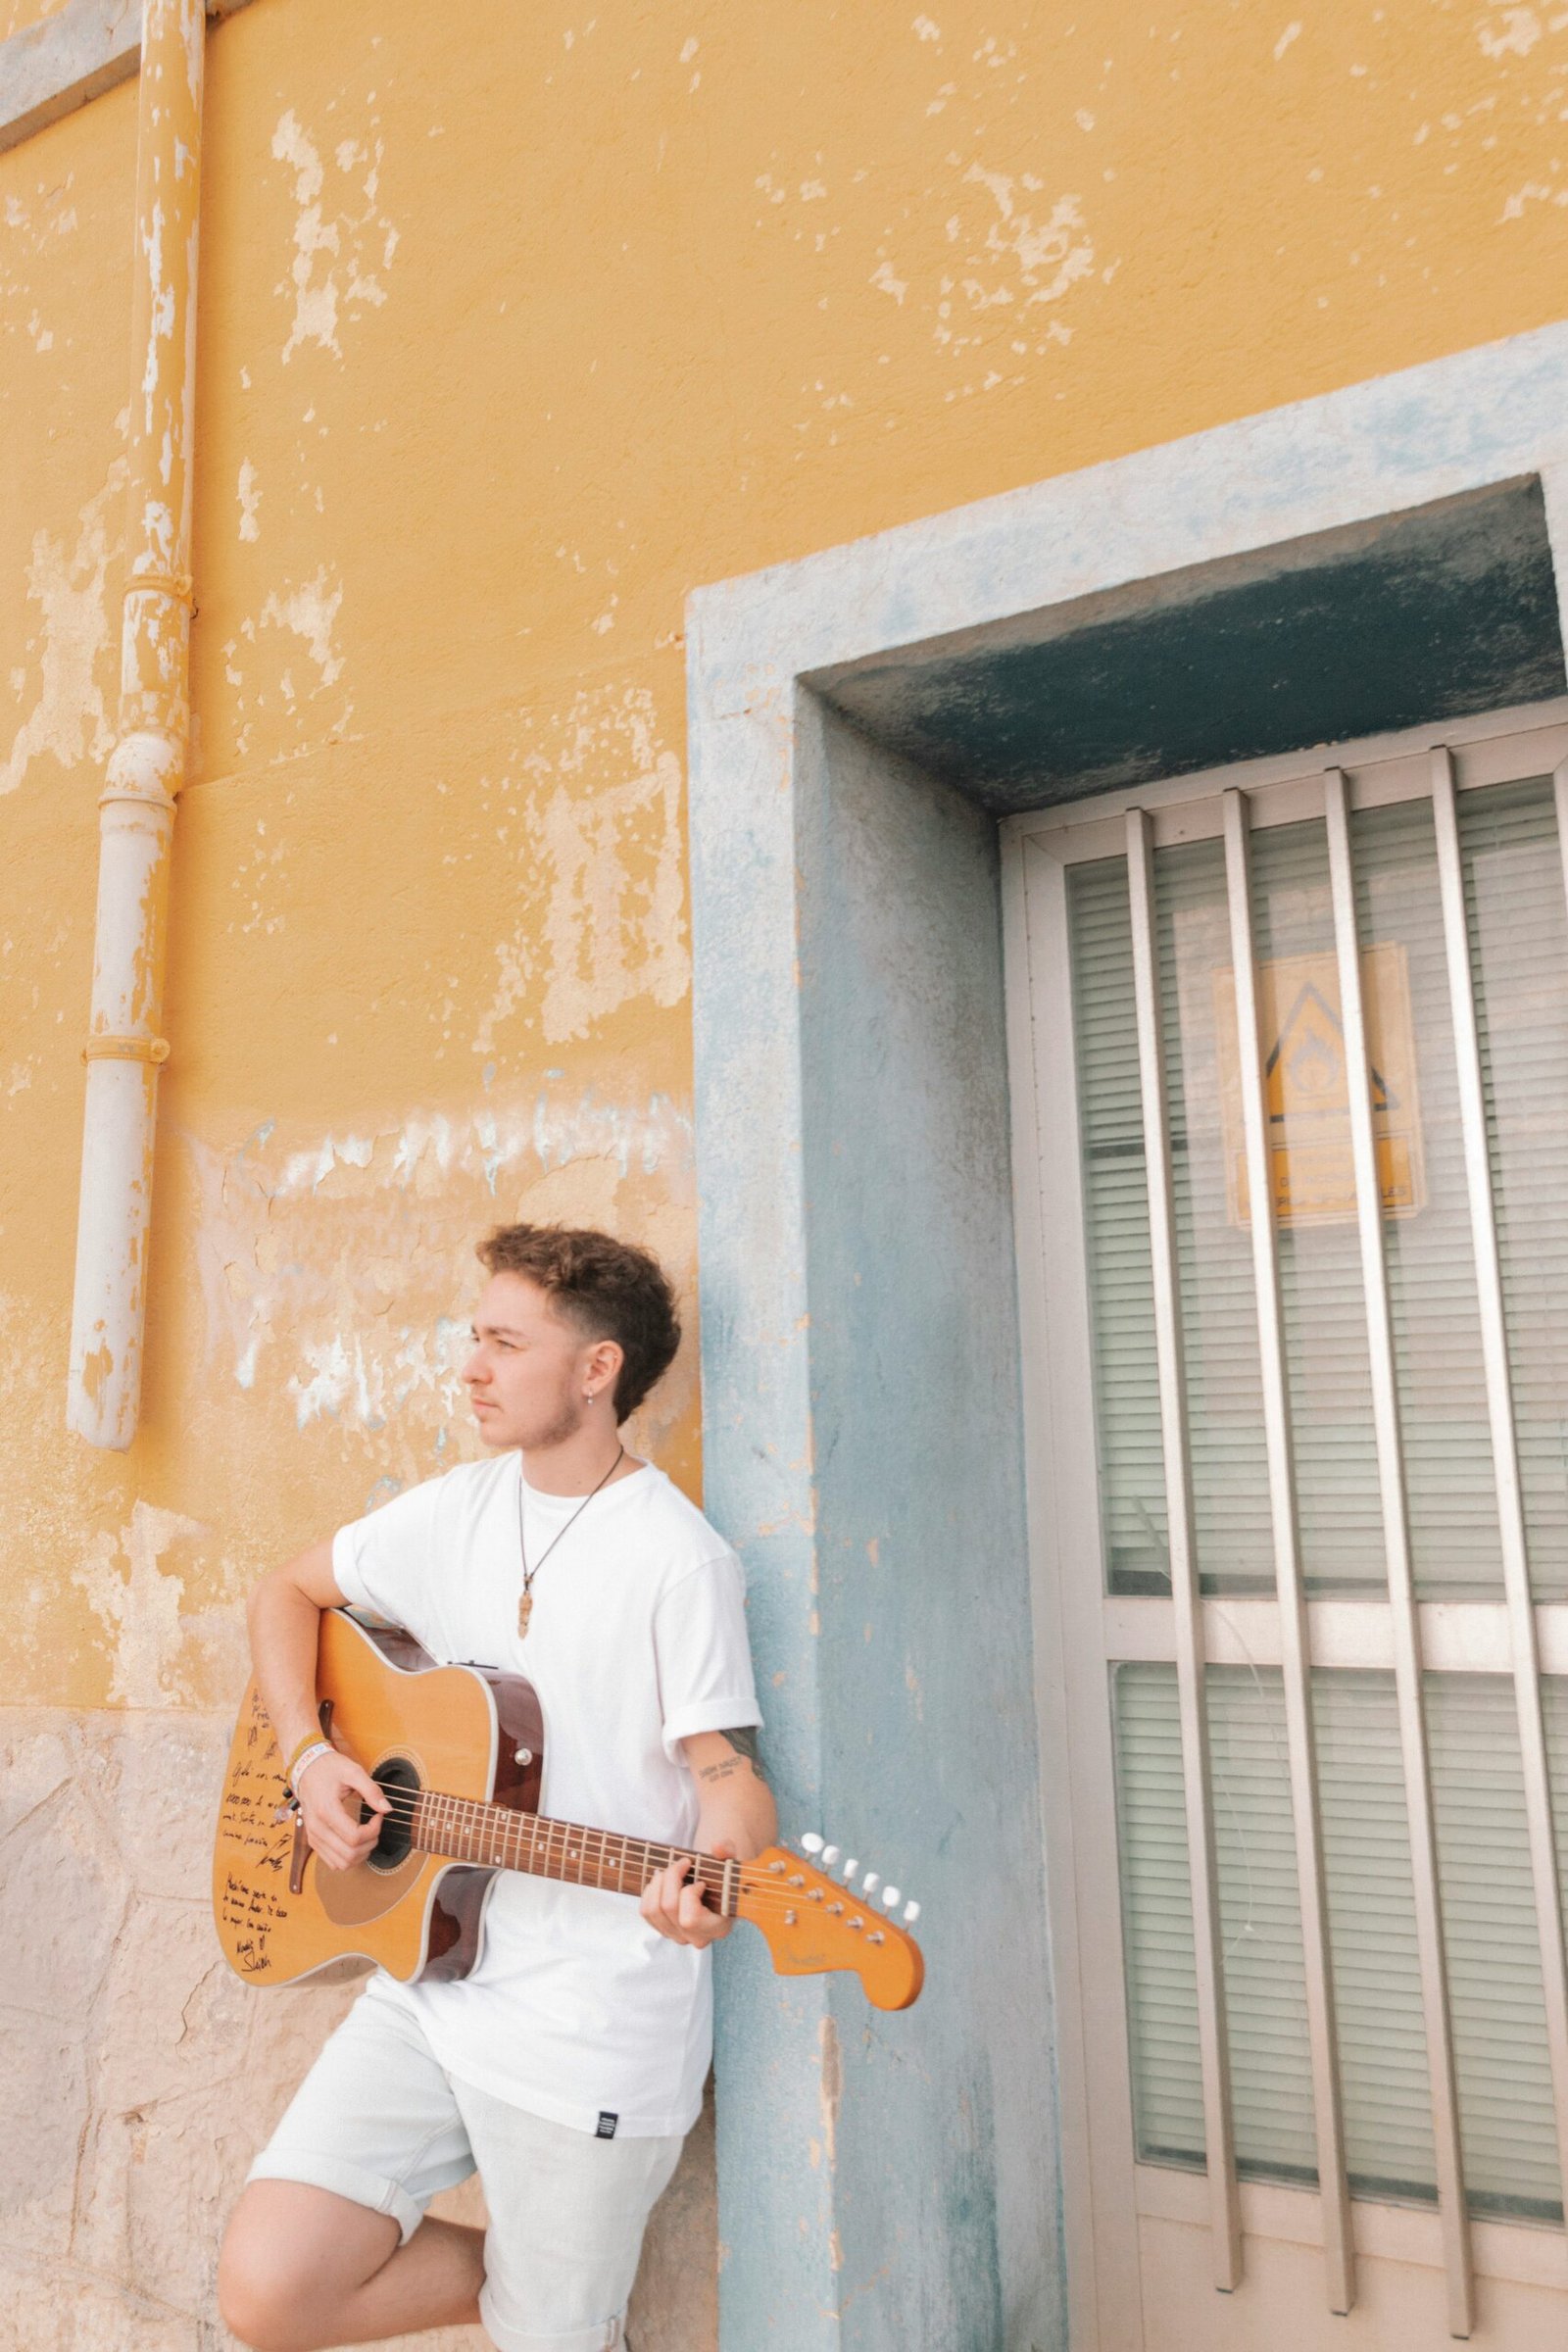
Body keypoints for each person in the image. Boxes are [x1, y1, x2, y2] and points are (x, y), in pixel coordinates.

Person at [218, 1223, 773, 2352]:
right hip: (436, 1987)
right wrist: (309, 1754)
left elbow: (725, 1772)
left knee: (549, 2340)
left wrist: (717, 1869)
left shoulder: (677, 1560)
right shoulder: (453, 1511)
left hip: (590, 2029)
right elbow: (285, 1593)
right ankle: (545, 2288)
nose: (470, 1367)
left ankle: (562, 2302)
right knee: (272, 2290)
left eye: (504, 1343)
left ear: (595, 1369)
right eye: (476, 1337)